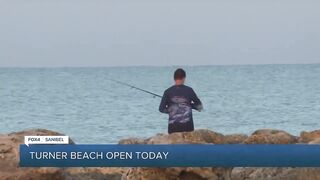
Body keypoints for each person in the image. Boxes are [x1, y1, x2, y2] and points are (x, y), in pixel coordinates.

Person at [159, 68, 203, 134]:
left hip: (173, 128)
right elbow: (200, 107)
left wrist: (171, 110)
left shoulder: (167, 92)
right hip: (188, 128)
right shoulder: (189, 90)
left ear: (174, 78)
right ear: (184, 78)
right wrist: (190, 105)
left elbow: (161, 109)